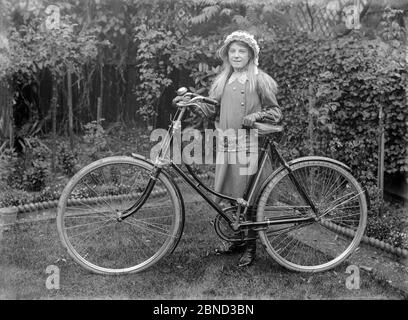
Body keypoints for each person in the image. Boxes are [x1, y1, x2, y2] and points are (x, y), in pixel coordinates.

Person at [174, 30, 282, 267]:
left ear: (251, 54)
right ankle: (237, 240)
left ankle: (251, 247)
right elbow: (216, 110)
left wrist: (256, 115)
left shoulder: (259, 80)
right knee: (231, 196)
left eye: (241, 51)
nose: (236, 55)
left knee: (249, 198)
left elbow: (275, 112)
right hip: (227, 144)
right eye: (232, 51)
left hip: (248, 145)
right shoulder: (224, 80)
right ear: (227, 55)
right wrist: (197, 103)